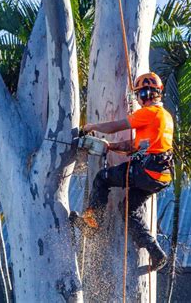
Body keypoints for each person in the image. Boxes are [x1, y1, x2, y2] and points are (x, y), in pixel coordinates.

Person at [70, 72, 174, 271]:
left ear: (147, 94)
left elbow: (117, 126)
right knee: (128, 210)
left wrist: (92, 126)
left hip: (145, 171)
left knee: (102, 178)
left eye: (141, 93)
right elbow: (132, 145)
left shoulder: (149, 112)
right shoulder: (164, 117)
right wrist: (110, 147)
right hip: (158, 176)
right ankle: (156, 252)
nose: (141, 97)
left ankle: (92, 224)